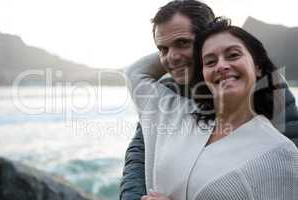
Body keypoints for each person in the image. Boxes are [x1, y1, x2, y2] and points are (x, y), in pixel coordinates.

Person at [120, 1, 298, 199]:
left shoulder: (271, 92)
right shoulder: (167, 98)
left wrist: (211, 39)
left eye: (182, 43)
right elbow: (138, 156)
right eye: (163, 49)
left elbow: (279, 174)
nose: (172, 57)